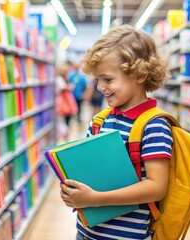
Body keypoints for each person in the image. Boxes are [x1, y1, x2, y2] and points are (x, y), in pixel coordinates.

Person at [59, 25, 173, 240]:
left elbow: (157, 187)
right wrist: (73, 189)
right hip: (86, 232)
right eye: (97, 80)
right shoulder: (99, 121)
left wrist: (96, 199)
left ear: (139, 75)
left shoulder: (153, 125)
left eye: (108, 79)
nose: (101, 87)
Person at [55, 63, 77, 127]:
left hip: (65, 101)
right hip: (61, 101)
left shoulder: (65, 79)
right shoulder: (59, 79)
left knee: (67, 118)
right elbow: (62, 88)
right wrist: (69, 87)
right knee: (63, 119)